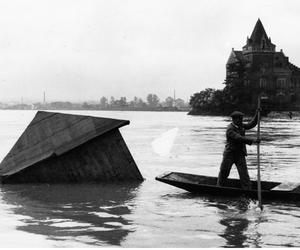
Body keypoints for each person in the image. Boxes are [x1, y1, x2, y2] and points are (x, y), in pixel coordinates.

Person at [217, 110, 260, 190]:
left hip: (240, 154)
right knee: (224, 171)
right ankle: (219, 187)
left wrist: (257, 114)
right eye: (240, 119)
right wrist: (253, 140)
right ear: (234, 119)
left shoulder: (241, 126)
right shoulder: (230, 129)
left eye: (242, 119)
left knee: (244, 174)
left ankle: (247, 190)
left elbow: (251, 124)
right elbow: (239, 138)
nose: (241, 120)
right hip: (229, 154)